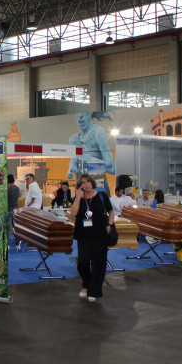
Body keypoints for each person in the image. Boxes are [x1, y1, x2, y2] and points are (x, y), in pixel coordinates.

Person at [69, 174, 114, 302]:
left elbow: (111, 211)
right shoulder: (79, 198)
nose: (86, 184)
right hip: (83, 235)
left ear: (92, 183)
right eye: (83, 182)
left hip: (99, 234)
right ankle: (86, 284)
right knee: (82, 262)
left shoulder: (101, 196)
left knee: (98, 263)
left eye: (88, 181)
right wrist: (78, 197)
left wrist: (110, 225)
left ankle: (94, 291)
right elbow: (73, 213)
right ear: (80, 185)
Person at [67, 111, 116, 178]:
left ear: (90, 114)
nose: (80, 116)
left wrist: (90, 160)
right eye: (77, 113)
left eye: (84, 113)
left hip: (97, 183)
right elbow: (74, 160)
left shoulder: (98, 132)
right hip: (81, 183)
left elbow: (112, 167)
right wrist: (71, 168)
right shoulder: (73, 139)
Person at [7, 174, 20, 244]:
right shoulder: (17, 188)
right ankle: (17, 243)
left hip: (9, 209)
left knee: (8, 227)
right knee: (16, 227)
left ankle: (8, 243)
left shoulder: (8, 189)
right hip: (16, 209)